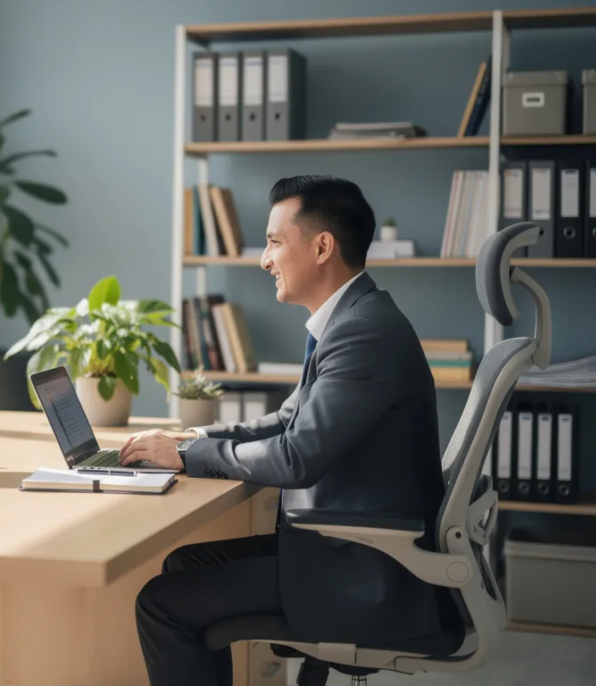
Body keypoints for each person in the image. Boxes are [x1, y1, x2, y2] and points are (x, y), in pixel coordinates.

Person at [120, 176, 449, 686]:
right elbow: (284, 421)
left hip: (363, 569)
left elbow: (297, 456)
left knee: (160, 605)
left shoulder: (363, 331)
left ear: (322, 247)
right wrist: (189, 441)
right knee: (183, 565)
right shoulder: (353, 318)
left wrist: (188, 459)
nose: (264, 259)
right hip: (346, 548)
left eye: (274, 241)